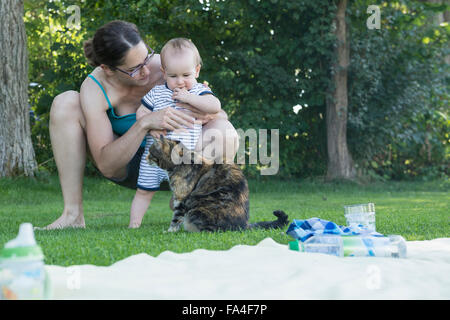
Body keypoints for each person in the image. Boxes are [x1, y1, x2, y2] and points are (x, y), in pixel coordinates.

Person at [39, 20, 238, 230]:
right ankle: (73, 215)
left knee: (226, 132)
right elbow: (107, 166)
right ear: (107, 69)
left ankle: (192, 198)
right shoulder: (95, 88)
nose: (146, 71)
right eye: (134, 69)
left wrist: (201, 113)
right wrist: (144, 123)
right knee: (65, 102)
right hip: (130, 167)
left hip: (180, 160)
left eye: (147, 58)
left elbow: (219, 113)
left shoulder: (169, 66)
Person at [129, 37, 221, 228]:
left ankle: (182, 223)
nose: (180, 82)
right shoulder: (156, 93)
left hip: (183, 160)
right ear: (163, 73)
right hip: (155, 156)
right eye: (173, 76)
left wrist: (189, 98)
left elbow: (215, 106)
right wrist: (151, 126)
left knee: (185, 192)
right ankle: (134, 223)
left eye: (186, 75)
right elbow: (141, 113)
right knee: (143, 191)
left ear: (196, 71)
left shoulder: (198, 91)